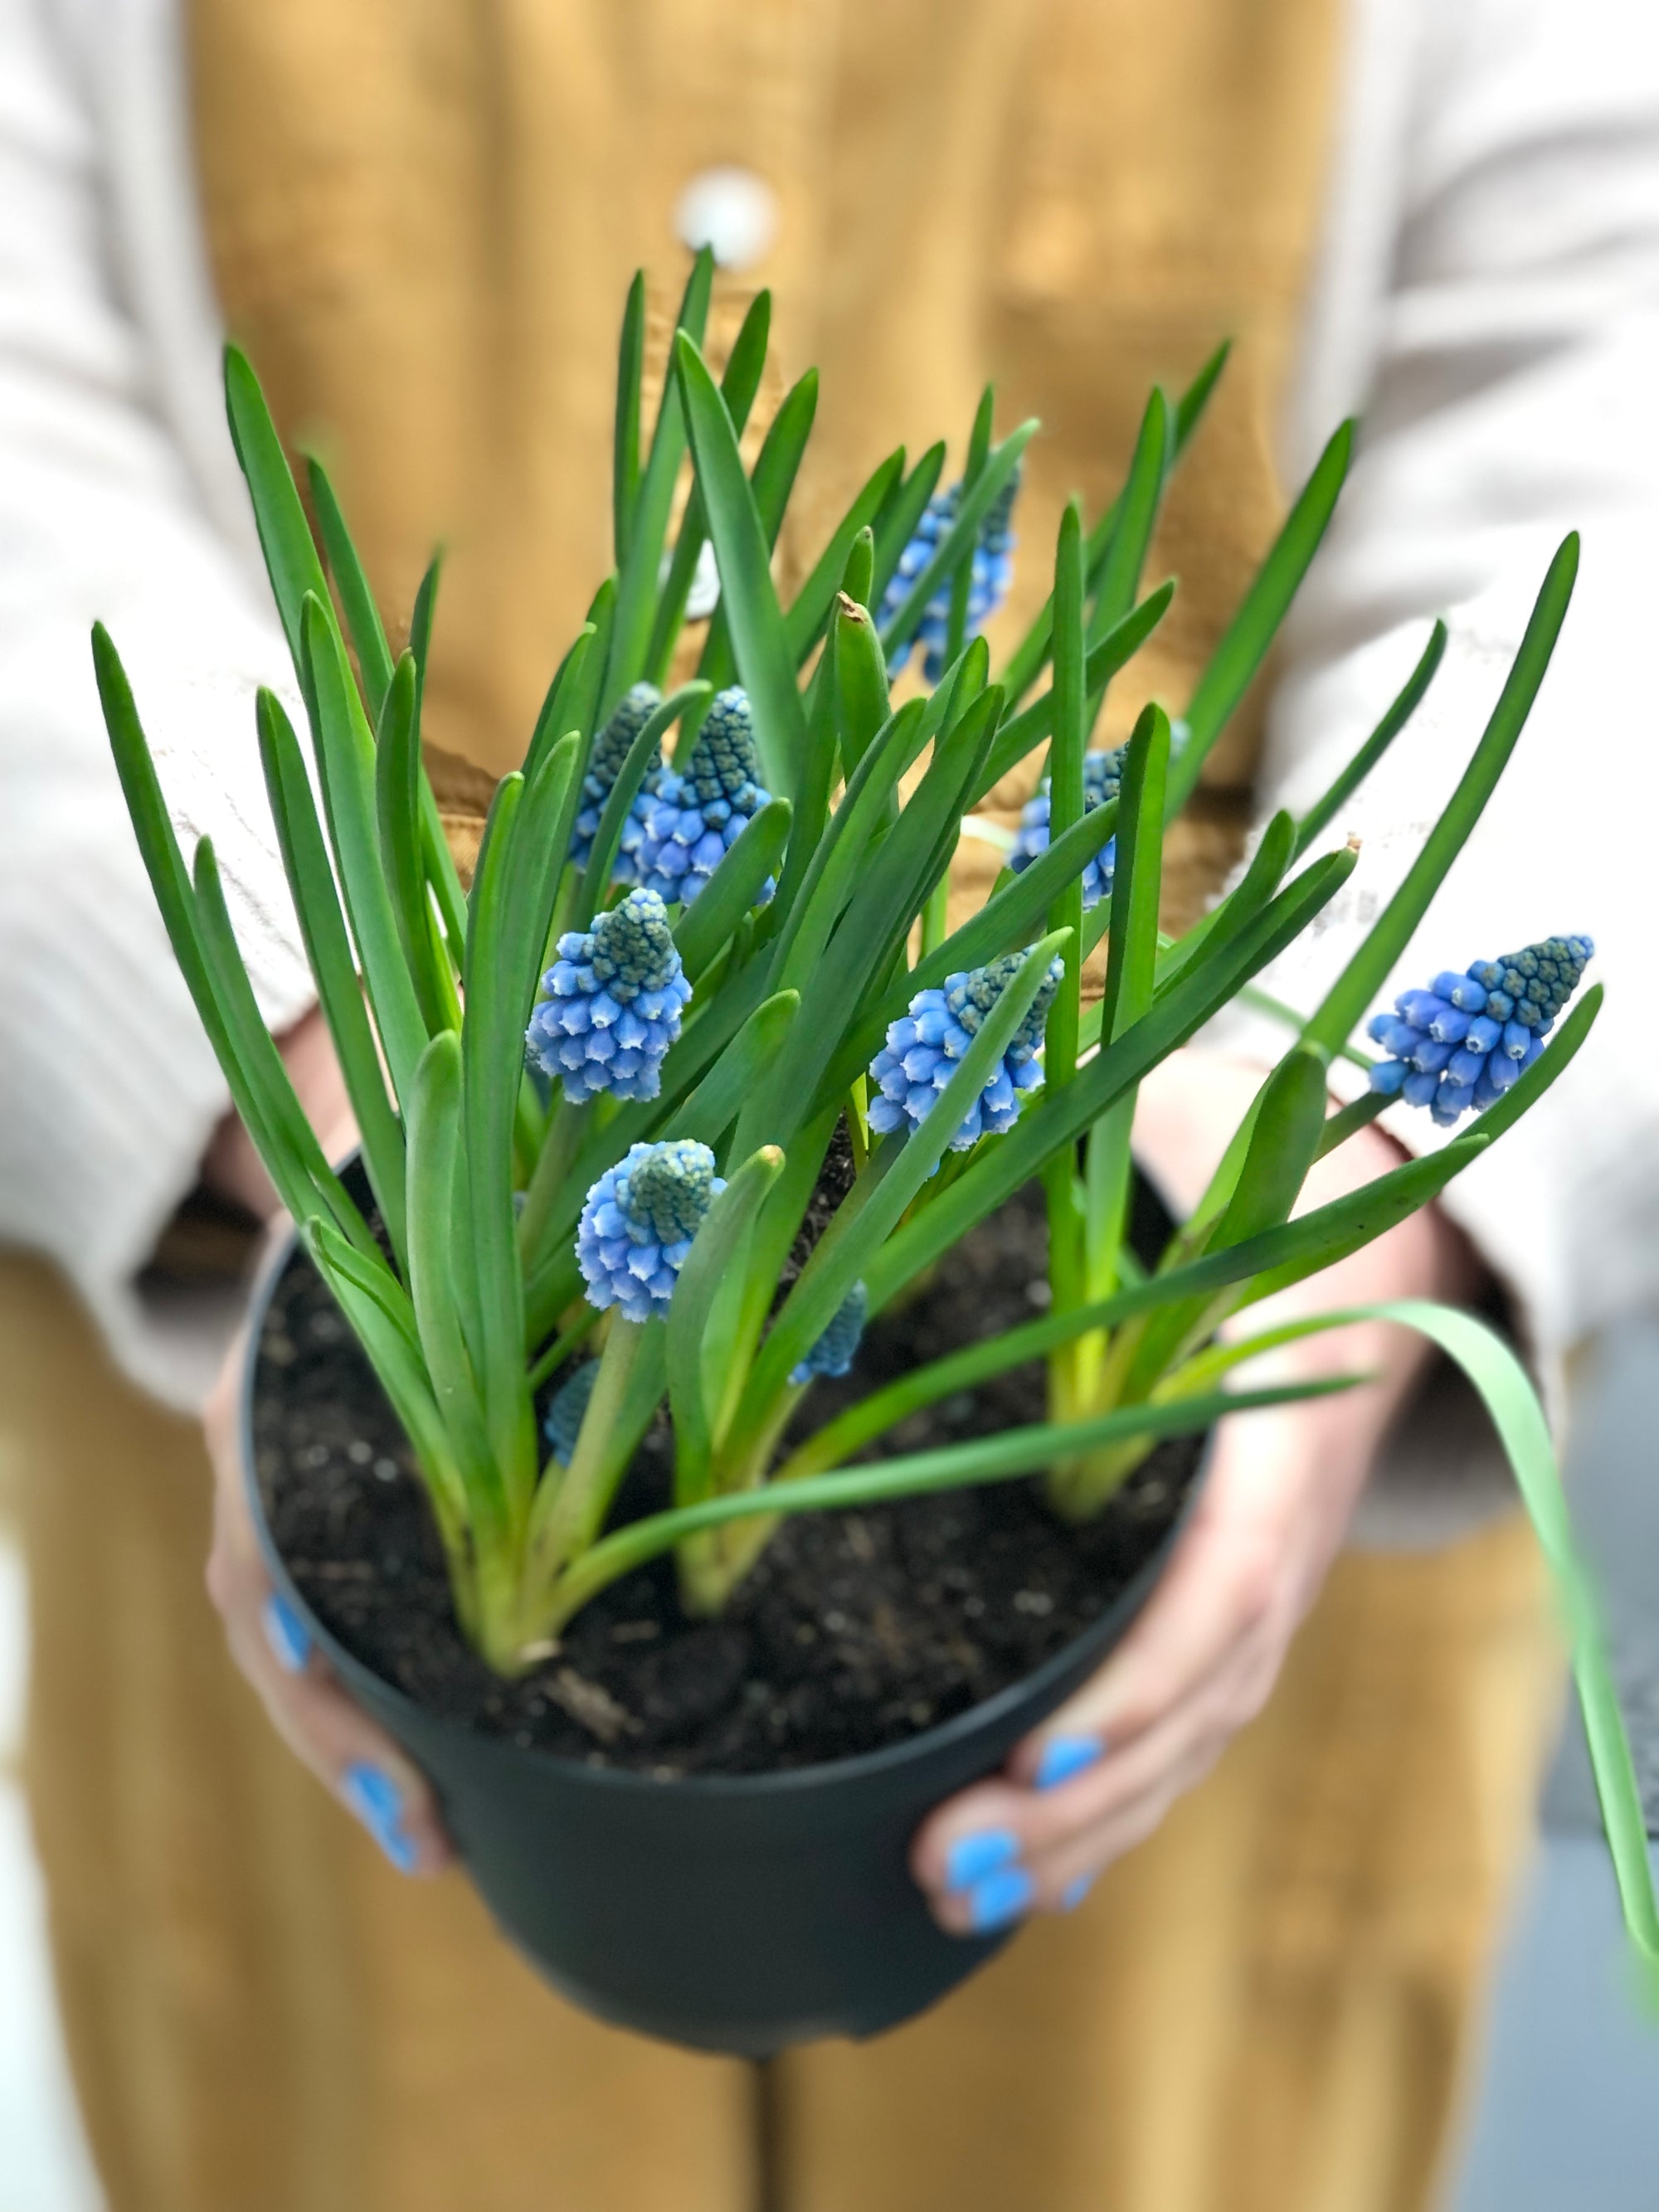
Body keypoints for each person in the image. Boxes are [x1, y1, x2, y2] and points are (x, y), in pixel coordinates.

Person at [2, 0, 1657, 2206]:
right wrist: (345, 1094)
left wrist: (1357, 1192)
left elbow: (1605, 395)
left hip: (1209, 1196)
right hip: (309, 1136)